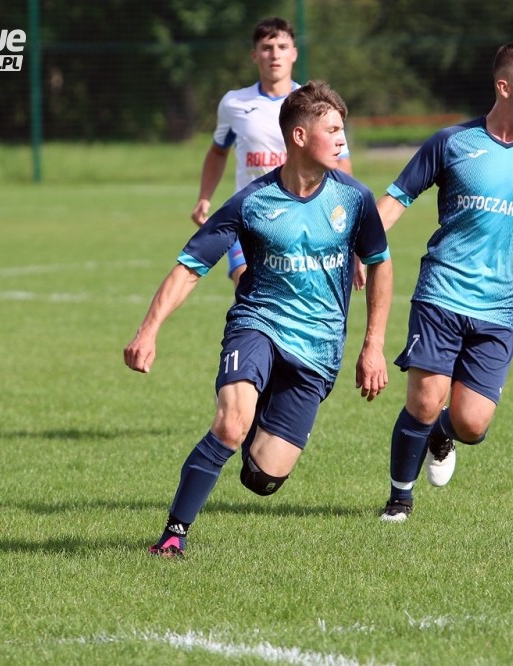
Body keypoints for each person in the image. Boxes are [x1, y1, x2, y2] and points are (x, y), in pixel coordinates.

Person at [125, 80, 393, 556]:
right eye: (332, 130)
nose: (341, 140)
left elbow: (380, 265)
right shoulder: (252, 201)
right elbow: (191, 266)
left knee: (263, 478)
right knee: (230, 424)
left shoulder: (355, 199)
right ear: (299, 136)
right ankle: (173, 535)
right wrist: (149, 331)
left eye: (342, 130)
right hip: (258, 324)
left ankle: (255, 413)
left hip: (318, 348)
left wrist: (373, 345)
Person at [375, 40, 513, 523]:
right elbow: (396, 199)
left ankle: (443, 433)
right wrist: (364, 247)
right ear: (504, 87)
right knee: (424, 400)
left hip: (500, 308)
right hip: (441, 292)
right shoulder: (451, 143)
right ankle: (399, 499)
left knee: (472, 424)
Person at [191, 17, 353, 288]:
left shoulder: (316, 105)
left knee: (297, 293)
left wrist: (341, 211)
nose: (275, 54)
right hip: (250, 215)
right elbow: (218, 152)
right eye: (267, 48)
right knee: (250, 287)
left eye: (282, 47)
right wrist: (204, 197)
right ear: (254, 55)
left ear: (294, 53)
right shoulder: (234, 103)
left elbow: (341, 162)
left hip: (302, 214)